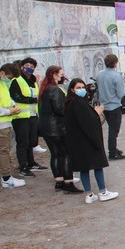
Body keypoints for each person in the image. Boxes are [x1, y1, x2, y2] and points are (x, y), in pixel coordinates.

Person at [64, 78, 119, 204]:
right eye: (78, 88)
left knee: (84, 168)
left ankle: (89, 194)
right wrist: (96, 113)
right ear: (72, 89)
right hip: (87, 141)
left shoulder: (70, 103)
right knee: (97, 166)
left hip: (78, 143)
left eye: (83, 87)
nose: (82, 90)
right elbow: (88, 123)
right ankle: (103, 191)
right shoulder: (79, 104)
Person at [38, 65, 82, 193]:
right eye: (61, 74)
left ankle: (59, 180)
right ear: (54, 75)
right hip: (56, 127)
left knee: (55, 154)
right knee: (65, 153)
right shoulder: (54, 90)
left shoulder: (45, 89)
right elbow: (60, 109)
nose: (63, 76)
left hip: (47, 127)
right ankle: (68, 182)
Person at [9, 59, 47, 175]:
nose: (29, 67)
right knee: (23, 142)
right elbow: (17, 97)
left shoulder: (33, 81)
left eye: (32, 66)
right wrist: (34, 100)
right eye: (27, 65)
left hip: (32, 115)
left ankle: (31, 163)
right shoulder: (17, 80)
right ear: (21, 67)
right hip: (21, 117)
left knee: (31, 141)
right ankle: (23, 167)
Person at [0, 65, 25, 188]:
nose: (9, 80)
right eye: (9, 77)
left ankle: (8, 177)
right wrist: (8, 111)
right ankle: (6, 179)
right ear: (3, 73)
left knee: (5, 150)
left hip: (4, 122)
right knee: (3, 151)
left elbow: (5, 98)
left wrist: (13, 105)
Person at [95, 54, 125, 160]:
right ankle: (112, 152)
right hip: (114, 106)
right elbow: (121, 93)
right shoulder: (116, 76)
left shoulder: (99, 75)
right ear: (115, 63)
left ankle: (113, 148)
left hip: (105, 106)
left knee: (111, 129)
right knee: (114, 130)